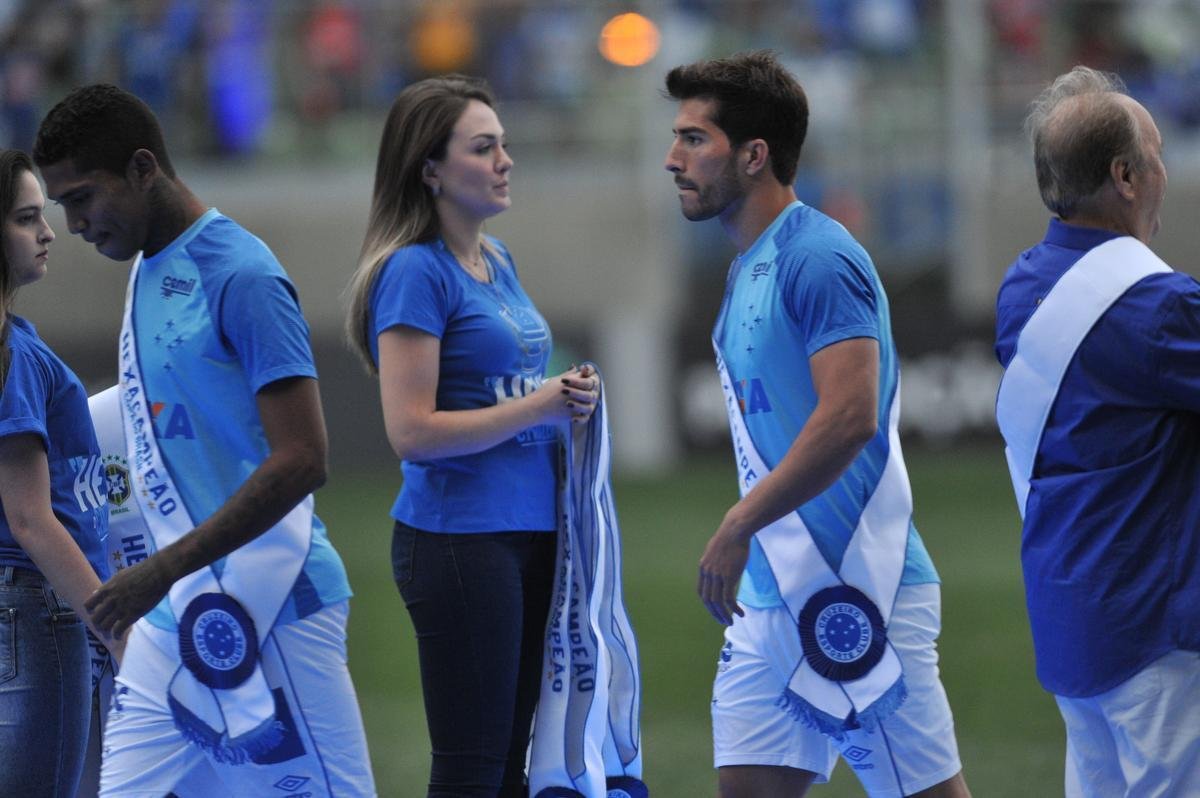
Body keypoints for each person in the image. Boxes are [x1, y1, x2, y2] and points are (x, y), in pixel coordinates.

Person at [33, 84, 375, 797]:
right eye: (62, 204)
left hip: (276, 604)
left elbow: (305, 457)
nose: (74, 224)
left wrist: (161, 569)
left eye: (82, 198)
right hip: (174, 617)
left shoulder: (242, 274)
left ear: (142, 168)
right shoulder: (146, 267)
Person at [663, 51, 971, 798]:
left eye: (694, 139)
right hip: (770, 599)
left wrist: (740, 521)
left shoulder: (821, 256)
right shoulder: (747, 265)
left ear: (754, 155)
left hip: (859, 594)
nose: (673, 158)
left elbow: (850, 415)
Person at [344, 74, 599, 797]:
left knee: (514, 765)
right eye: (484, 148)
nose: (505, 161)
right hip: (460, 538)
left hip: (532, 531)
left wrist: (572, 398)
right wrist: (543, 405)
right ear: (430, 169)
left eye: (503, 145)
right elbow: (411, 432)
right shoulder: (412, 272)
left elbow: (514, 390)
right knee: (472, 768)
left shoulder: (499, 259)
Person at [995, 66, 1200, 797]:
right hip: (1156, 622)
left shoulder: (1022, 285)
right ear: (1125, 176)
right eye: (1156, 157)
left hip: (1070, 617)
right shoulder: (1160, 310)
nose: (1163, 174)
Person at [0, 148, 115, 797]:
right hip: (34, 611)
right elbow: (31, 519)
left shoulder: (19, 344)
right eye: (25, 219)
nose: (48, 232)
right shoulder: (13, 355)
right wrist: (118, 630)